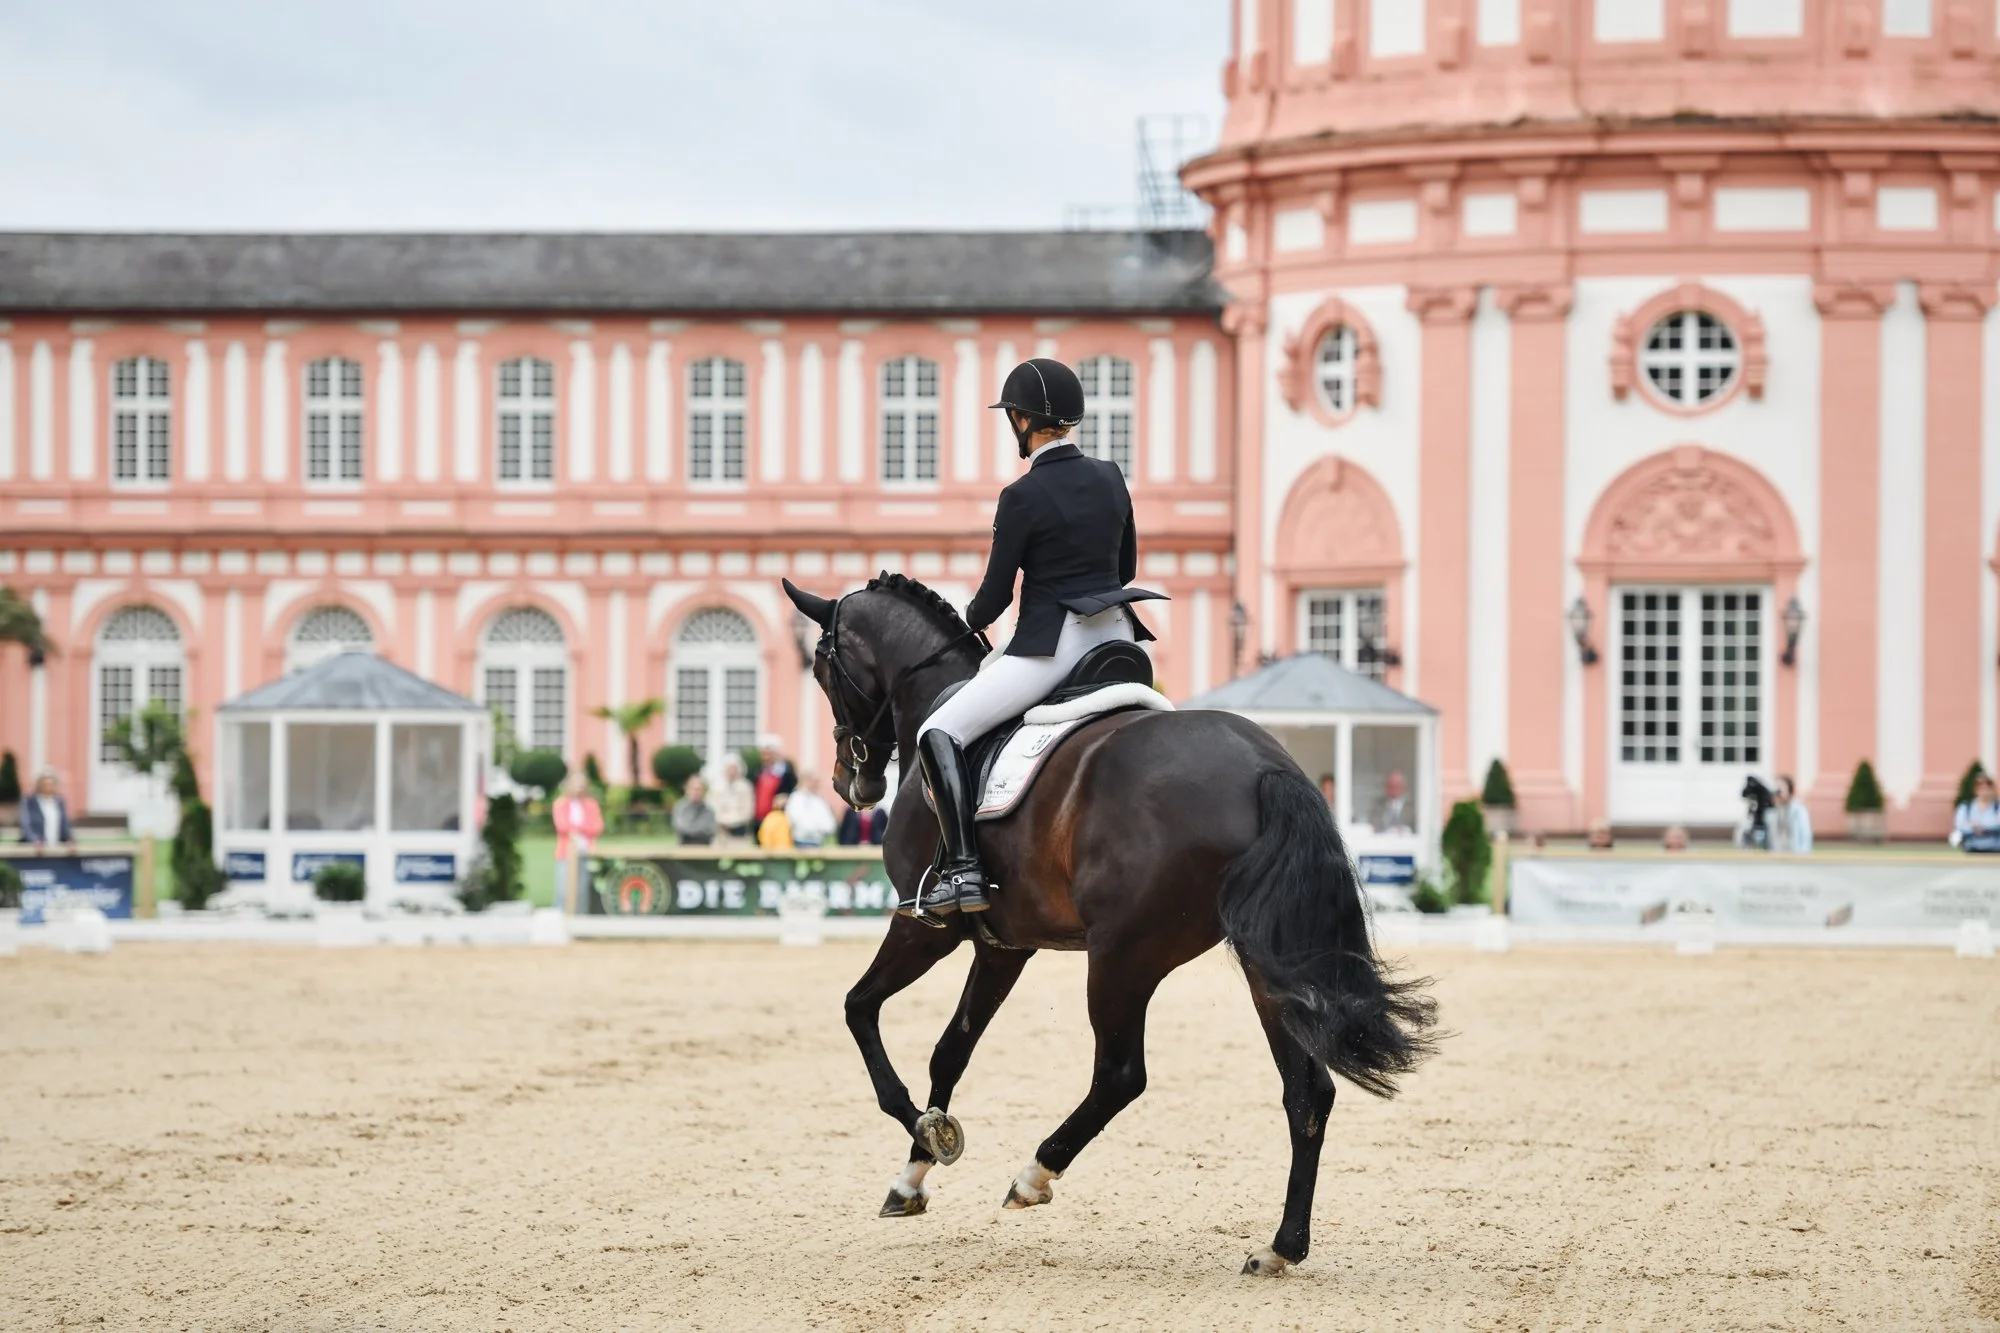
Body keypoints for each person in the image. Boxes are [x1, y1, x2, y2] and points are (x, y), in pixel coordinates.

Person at [909, 358, 1165, 920]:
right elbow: (1124, 567)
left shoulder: (1021, 497)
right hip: (1120, 638)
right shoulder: (1111, 476)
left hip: (1056, 646)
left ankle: (963, 870)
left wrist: (966, 621)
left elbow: (996, 598)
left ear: (1022, 420)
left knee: (938, 729)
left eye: (1012, 418)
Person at [551, 772, 603, 914]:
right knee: (563, 890)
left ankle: (580, 920)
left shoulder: (591, 804)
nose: (579, 788)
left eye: (582, 784)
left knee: (582, 890)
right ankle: (561, 919)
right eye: (576, 784)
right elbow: (562, 826)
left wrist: (578, 829)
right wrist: (582, 828)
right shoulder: (560, 804)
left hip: (586, 852)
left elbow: (597, 826)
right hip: (565, 853)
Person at [20, 769, 76, 853]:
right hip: (36, 848)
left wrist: (69, 839)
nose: (48, 787)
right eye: (45, 784)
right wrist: (35, 840)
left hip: (56, 846)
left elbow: (65, 823)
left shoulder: (59, 801)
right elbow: (26, 823)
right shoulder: (30, 801)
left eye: (51, 784)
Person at [753, 733, 797, 826]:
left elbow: (794, 790)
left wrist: (786, 798)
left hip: (778, 817)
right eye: (764, 754)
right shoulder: (759, 770)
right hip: (760, 818)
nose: (766, 757)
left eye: (769, 754)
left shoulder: (787, 771)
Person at [785, 771, 838, 848]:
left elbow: (830, 825)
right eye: (813, 781)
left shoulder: (820, 801)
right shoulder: (796, 798)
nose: (816, 784)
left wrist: (817, 829)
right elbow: (795, 820)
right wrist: (816, 829)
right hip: (799, 843)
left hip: (818, 843)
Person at [1763, 774, 1813, 854]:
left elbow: (1805, 835)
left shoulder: (1798, 810)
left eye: (1781, 787)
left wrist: (1804, 855)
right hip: (1776, 856)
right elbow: (1768, 838)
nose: (1777, 791)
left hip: (1795, 855)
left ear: (1789, 790)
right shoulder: (1771, 812)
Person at [1952, 773, 2000, 852]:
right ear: (1976, 790)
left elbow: (1997, 825)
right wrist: (1974, 828)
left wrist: (1981, 827)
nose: (1984, 791)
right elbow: (1960, 826)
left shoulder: (1997, 807)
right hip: (1971, 847)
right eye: (1981, 788)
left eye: (1987, 788)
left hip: (1995, 847)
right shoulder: (1966, 807)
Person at [711, 754, 754, 842]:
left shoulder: (745, 787)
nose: (731, 772)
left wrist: (731, 823)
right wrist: (721, 822)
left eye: (734, 769)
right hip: (720, 829)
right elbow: (712, 807)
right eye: (729, 768)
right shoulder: (717, 786)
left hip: (739, 829)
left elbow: (748, 811)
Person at [671, 776, 717, 846]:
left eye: (699, 789)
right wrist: (699, 829)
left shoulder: (709, 810)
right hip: (684, 846)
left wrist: (689, 829)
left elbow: (710, 831)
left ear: (703, 791)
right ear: (687, 790)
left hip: (705, 847)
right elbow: (679, 828)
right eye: (693, 789)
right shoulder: (680, 808)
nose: (696, 792)